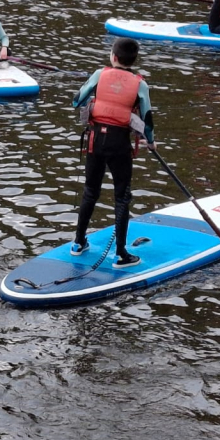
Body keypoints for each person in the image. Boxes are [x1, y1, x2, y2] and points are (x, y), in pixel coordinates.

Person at [71, 37, 155, 268]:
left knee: (90, 191)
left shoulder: (99, 74)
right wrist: (151, 141)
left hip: (95, 141)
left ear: (114, 57)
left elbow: (77, 101)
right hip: (120, 144)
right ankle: (121, 254)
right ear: (133, 59)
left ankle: (78, 242)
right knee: (122, 196)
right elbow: (147, 118)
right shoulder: (141, 84)